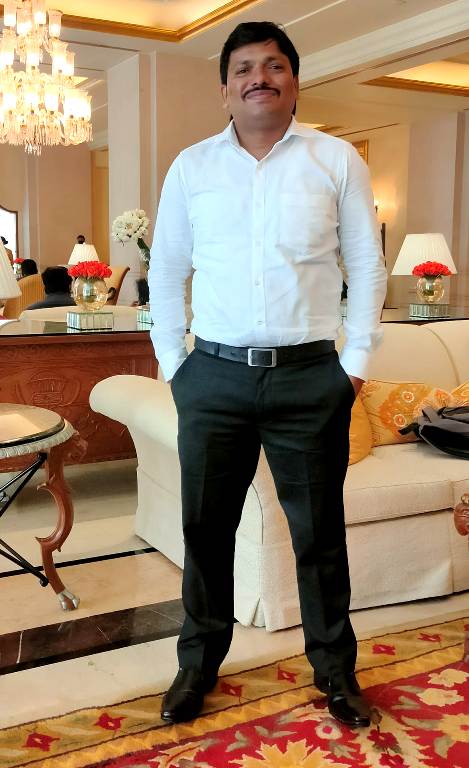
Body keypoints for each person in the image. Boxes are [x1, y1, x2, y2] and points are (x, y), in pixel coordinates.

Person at [149, 21, 387, 729]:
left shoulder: (335, 159)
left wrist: (354, 364)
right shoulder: (191, 167)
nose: (260, 77)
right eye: (244, 68)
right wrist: (174, 366)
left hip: (309, 378)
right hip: (213, 377)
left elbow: (365, 264)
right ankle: (197, 666)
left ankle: (336, 673)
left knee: (319, 535)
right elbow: (167, 268)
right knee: (205, 530)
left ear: (294, 81)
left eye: (274, 65)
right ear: (225, 89)